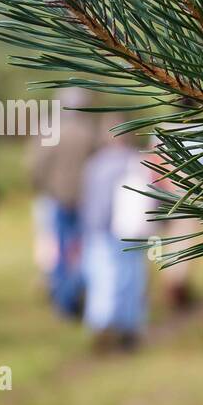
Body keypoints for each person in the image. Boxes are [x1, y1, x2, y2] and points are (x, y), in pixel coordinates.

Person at [30, 87, 103, 318]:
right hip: (85, 200)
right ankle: (74, 294)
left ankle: (64, 300)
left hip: (58, 199)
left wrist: (48, 189)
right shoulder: (89, 132)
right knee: (82, 249)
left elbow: (35, 166)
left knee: (60, 250)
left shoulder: (49, 132)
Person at [79, 122, 153, 351]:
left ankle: (103, 325)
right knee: (132, 278)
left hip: (102, 231)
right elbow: (150, 197)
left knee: (104, 279)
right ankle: (128, 327)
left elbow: (89, 201)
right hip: (133, 232)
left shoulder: (95, 165)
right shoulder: (136, 162)